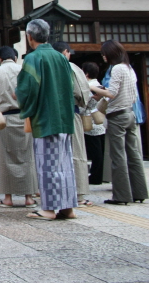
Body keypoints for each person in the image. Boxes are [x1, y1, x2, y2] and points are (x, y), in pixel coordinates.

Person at [17, 19, 78, 221]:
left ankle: (49, 208)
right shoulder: (61, 59)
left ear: (29, 37)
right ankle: (67, 207)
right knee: (65, 164)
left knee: (48, 164)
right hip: (64, 117)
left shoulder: (33, 58)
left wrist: (24, 106)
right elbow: (70, 87)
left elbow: (27, 90)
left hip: (45, 118)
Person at [89, 40, 148, 205]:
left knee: (118, 156)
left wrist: (93, 88)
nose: (103, 56)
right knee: (134, 155)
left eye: (104, 53)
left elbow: (112, 93)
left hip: (117, 116)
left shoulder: (116, 69)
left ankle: (121, 196)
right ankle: (139, 192)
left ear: (110, 54)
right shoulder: (129, 68)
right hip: (130, 113)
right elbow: (133, 95)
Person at [0, 46, 37, 208]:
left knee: (5, 158)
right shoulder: (24, 69)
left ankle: (8, 198)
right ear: (15, 58)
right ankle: (29, 197)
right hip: (26, 117)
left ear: (0, 59)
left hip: (4, 119)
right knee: (27, 157)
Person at [52, 41, 93, 207]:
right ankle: (79, 193)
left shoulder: (48, 67)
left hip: (52, 114)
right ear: (66, 52)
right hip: (71, 111)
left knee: (55, 153)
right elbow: (84, 95)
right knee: (76, 151)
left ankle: (57, 190)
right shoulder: (73, 68)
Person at [82, 61, 106, 185]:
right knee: (100, 152)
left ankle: (95, 177)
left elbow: (84, 105)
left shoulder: (88, 87)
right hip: (100, 121)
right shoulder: (100, 85)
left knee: (94, 153)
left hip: (89, 122)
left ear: (86, 74)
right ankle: (99, 176)